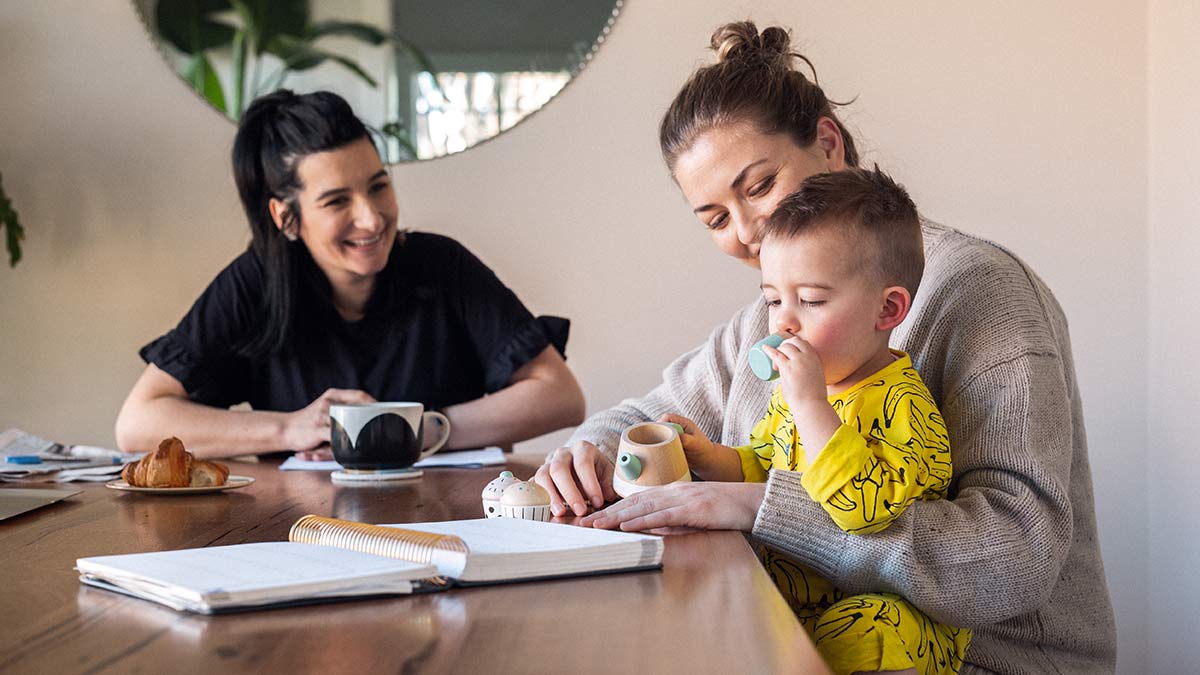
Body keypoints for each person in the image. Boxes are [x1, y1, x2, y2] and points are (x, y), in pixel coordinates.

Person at [535, 21, 1116, 674]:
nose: (748, 232)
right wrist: (578, 457)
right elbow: (649, 411)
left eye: (757, 187)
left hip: (984, 660)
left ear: (829, 143)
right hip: (813, 639)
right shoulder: (768, 321)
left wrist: (763, 506)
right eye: (718, 218)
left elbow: (1016, 558)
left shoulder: (981, 291)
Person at [115, 90, 585, 460]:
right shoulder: (255, 282)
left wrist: (414, 431)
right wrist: (292, 428)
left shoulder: (441, 264)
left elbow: (560, 395)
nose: (372, 218)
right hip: (298, 528)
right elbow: (137, 423)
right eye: (337, 201)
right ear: (286, 218)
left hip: (446, 521)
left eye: (379, 187)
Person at [674, 168, 968, 674]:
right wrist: (713, 460)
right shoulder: (799, 392)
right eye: (773, 299)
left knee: (868, 631)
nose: (785, 321)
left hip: (888, 617)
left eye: (810, 301)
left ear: (888, 309)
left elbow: (863, 510)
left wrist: (812, 406)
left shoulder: (903, 405)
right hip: (801, 603)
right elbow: (768, 469)